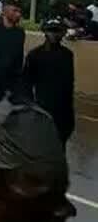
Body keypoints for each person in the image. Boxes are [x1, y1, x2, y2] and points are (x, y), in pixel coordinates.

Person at [24, 18, 75, 146]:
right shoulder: (34, 55)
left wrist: (69, 113)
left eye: (57, 31)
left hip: (63, 110)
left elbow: (69, 83)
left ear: (63, 33)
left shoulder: (67, 55)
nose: (54, 34)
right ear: (45, 32)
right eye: (51, 31)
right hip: (42, 108)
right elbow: (26, 83)